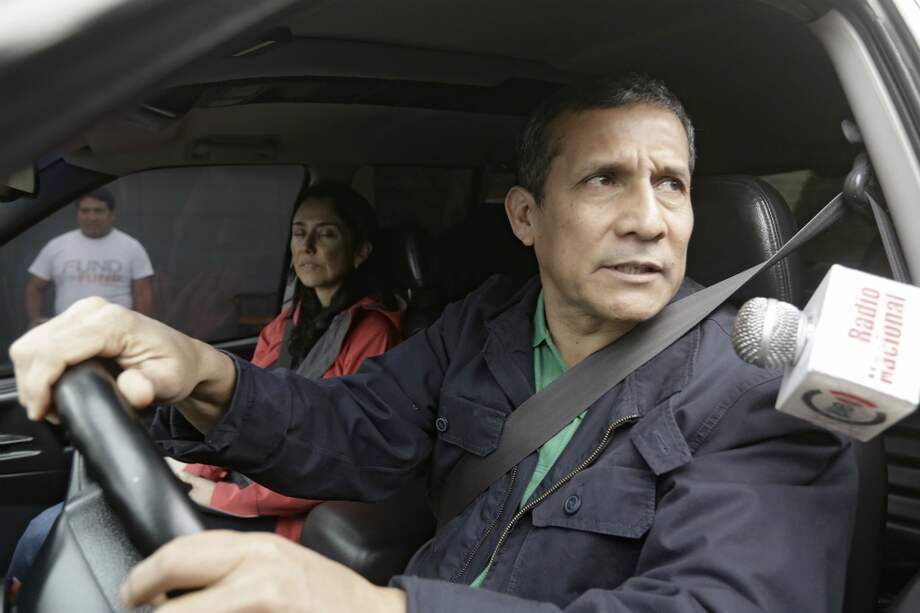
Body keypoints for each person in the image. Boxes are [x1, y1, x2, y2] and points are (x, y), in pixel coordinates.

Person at [10, 75, 858, 613]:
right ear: (526, 217)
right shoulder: (482, 327)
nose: (648, 216)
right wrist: (199, 370)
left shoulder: (759, 387)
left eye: (669, 183)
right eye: (606, 178)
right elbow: (350, 426)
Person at [4, 183, 402, 598]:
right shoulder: (288, 323)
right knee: (52, 526)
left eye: (328, 234)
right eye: (300, 232)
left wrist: (222, 494)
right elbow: (247, 415)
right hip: (245, 483)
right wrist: (195, 472)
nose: (308, 246)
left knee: (57, 531)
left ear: (361, 252)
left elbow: (342, 453)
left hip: (286, 515)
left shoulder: (373, 331)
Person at [24, 189, 154, 327]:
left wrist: (141, 329)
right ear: (78, 214)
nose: (92, 217)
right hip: (67, 331)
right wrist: (36, 321)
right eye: (85, 211)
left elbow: (143, 293)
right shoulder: (56, 246)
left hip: (116, 332)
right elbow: (34, 288)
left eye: (98, 211)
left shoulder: (131, 247)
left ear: (112, 214)